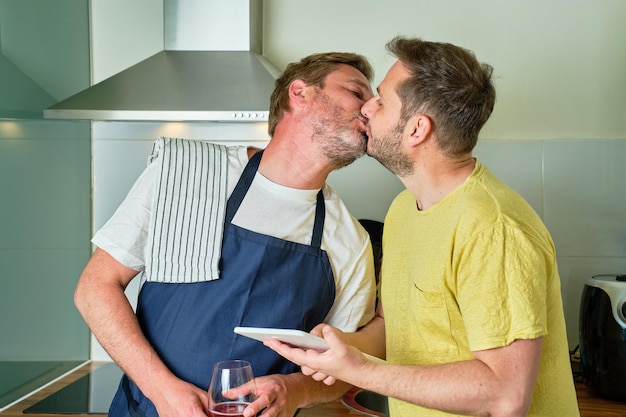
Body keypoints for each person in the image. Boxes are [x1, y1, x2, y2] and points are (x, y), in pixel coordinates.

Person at [265, 37, 580, 417]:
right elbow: (391, 324)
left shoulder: (492, 228)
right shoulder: (403, 209)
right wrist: (337, 348)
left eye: (380, 99)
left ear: (416, 130)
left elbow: (505, 396)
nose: (366, 107)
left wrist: (361, 371)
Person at [74, 51, 379, 417]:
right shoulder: (187, 174)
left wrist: (295, 390)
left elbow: (346, 368)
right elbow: (95, 288)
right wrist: (162, 391)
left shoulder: (350, 241)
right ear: (300, 94)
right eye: (357, 92)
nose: (372, 107)